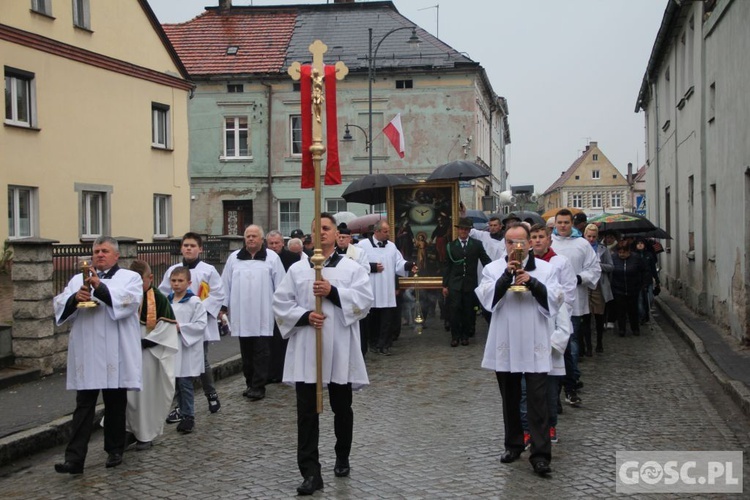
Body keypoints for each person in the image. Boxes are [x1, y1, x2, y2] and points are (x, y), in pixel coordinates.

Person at [272, 213, 373, 496]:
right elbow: (281, 303)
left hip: (339, 345)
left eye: (327, 228)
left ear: (335, 233)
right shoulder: (297, 270)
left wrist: (333, 292)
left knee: (341, 407)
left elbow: (364, 302)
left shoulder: (351, 268)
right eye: (317, 229)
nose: (322, 233)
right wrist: (304, 316)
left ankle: (342, 455)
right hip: (308, 347)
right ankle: (310, 471)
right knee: (306, 412)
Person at [53, 236, 143, 474]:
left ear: (116, 255)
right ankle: (75, 459)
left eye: (104, 251)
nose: (99, 255)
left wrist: (99, 288)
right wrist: (76, 298)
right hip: (88, 350)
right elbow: (61, 307)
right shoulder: (76, 279)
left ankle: (114, 450)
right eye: (96, 251)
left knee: (115, 403)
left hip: (116, 350)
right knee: (84, 406)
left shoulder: (130, 278)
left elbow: (129, 303)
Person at [475, 223, 558, 476]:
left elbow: (555, 299)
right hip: (507, 341)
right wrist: (506, 277)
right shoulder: (492, 269)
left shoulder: (546, 269)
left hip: (535, 341)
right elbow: (488, 300)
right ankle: (513, 444)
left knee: (537, 400)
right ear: (505, 245)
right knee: (509, 398)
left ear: (530, 243)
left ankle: (541, 454)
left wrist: (532, 282)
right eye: (511, 242)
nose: (516, 247)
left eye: (521, 242)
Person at [159, 232, 226, 418]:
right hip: (176, 325)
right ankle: (182, 406)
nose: (188, 248)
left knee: (201, 361)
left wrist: (196, 310)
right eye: (185, 245)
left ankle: (211, 393)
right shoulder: (173, 270)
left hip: (198, 322)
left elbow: (217, 294)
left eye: (192, 246)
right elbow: (163, 294)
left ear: (200, 249)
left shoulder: (208, 270)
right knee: (178, 365)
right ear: (181, 248)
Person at [222, 224, 285, 400]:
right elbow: (225, 284)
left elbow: (281, 284)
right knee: (246, 351)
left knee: (262, 350)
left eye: (254, 236)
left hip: (263, 311)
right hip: (242, 312)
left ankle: (259, 385)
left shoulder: (271, 258)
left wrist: (282, 307)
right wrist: (222, 306)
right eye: (248, 236)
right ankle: (249, 382)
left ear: (261, 239)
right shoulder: (234, 258)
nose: (250, 239)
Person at [528, 223, 576, 441]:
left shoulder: (559, 262)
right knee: (525, 391)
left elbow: (566, 294)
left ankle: (550, 426)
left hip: (552, 324)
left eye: (541, 236)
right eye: (534, 237)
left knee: (549, 389)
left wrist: (555, 341)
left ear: (549, 239)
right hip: (529, 335)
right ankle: (528, 428)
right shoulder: (523, 264)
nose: (537, 240)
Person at [126, 260, 178, 451]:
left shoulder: (158, 299)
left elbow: (168, 327)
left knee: (145, 394)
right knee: (127, 395)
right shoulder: (125, 296)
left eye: (142, 281)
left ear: (150, 278)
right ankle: (128, 430)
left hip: (147, 354)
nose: (138, 286)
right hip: (128, 354)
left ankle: (145, 434)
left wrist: (147, 342)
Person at [550, 209, 600, 407]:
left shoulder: (582, 244)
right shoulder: (549, 243)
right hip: (552, 304)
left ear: (572, 223)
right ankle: (556, 388)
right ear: (555, 224)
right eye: (559, 222)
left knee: (570, 344)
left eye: (566, 222)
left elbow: (594, 269)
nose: (562, 226)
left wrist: (580, 278)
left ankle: (571, 383)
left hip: (574, 302)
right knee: (554, 346)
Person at [357, 220, 417, 356]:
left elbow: (398, 263)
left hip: (386, 289)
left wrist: (409, 265)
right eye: (385, 231)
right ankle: (372, 343)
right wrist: (371, 267)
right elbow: (356, 264)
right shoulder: (362, 245)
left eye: (388, 231)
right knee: (372, 320)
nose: (388, 234)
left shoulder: (391, 246)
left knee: (387, 320)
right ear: (376, 231)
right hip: (371, 288)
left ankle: (384, 344)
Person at [167, 266, 208, 434]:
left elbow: (200, 324)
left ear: (189, 283)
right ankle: (181, 412)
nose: (176, 284)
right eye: (173, 281)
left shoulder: (194, 302)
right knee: (176, 383)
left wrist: (181, 327)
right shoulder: (167, 300)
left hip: (187, 347)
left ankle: (188, 416)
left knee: (185, 384)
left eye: (180, 281)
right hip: (172, 347)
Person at [442, 217, 492, 347]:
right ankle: (455, 336)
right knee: (454, 311)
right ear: (458, 230)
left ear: (469, 230)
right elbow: (447, 266)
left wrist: (497, 270)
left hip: (470, 283)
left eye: (466, 229)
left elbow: (486, 260)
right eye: (461, 229)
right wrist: (445, 285)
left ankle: (465, 336)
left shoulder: (476, 244)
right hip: (454, 284)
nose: (463, 231)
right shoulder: (451, 246)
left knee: (468, 311)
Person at [266, 230, 303, 383]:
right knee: (269, 342)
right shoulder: (265, 258)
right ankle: (270, 372)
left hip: (288, 302)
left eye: (276, 243)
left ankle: (283, 371)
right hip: (268, 304)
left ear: (282, 243)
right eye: (271, 243)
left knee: (283, 340)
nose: (274, 246)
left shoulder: (293, 258)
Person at [583, 224, 613, 353]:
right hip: (585, 285)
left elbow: (611, 267)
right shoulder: (581, 248)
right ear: (585, 235)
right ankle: (588, 345)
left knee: (599, 316)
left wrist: (599, 266)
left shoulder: (603, 249)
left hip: (599, 285)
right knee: (586, 316)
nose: (591, 239)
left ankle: (599, 342)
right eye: (589, 236)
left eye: (594, 236)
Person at [611, 241, 648, 337]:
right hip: (618, 288)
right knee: (620, 310)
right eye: (620, 252)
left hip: (633, 288)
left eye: (624, 252)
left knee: (633, 310)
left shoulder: (636, 258)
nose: (622, 255)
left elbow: (643, 271)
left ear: (629, 251)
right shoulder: (614, 258)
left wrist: (642, 284)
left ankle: (635, 328)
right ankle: (621, 329)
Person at [633, 238, 659, 325]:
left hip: (648, 280)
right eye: (638, 243)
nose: (640, 245)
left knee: (650, 299)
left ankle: (646, 312)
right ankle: (642, 316)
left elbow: (653, 268)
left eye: (642, 243)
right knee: (640, 300)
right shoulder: (634, 255)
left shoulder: (649, 255)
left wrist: (657, 280)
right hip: (638, 281)